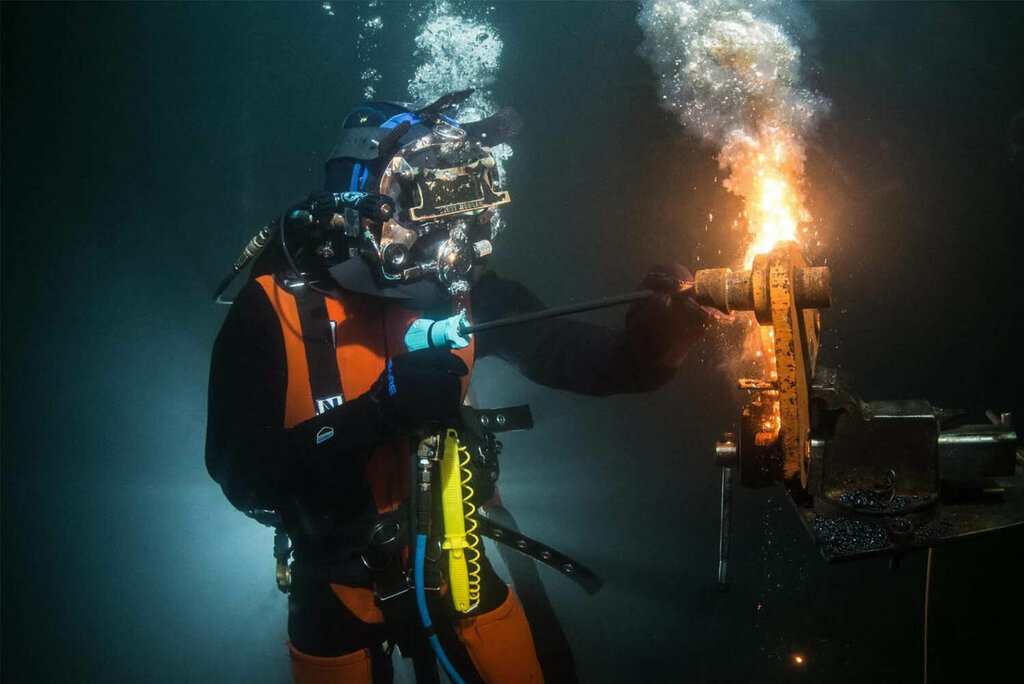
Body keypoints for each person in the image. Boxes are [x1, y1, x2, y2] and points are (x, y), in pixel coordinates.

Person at [205, 91, 712, 684]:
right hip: (333, 586)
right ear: (374, 198)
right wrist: (377, 413)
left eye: (464, 202)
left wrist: (659, 340)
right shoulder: (270, 309)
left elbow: (584, 360)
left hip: (460, 569)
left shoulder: (466, 289)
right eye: (430, 203)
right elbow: (242, 475)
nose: (449, 232)